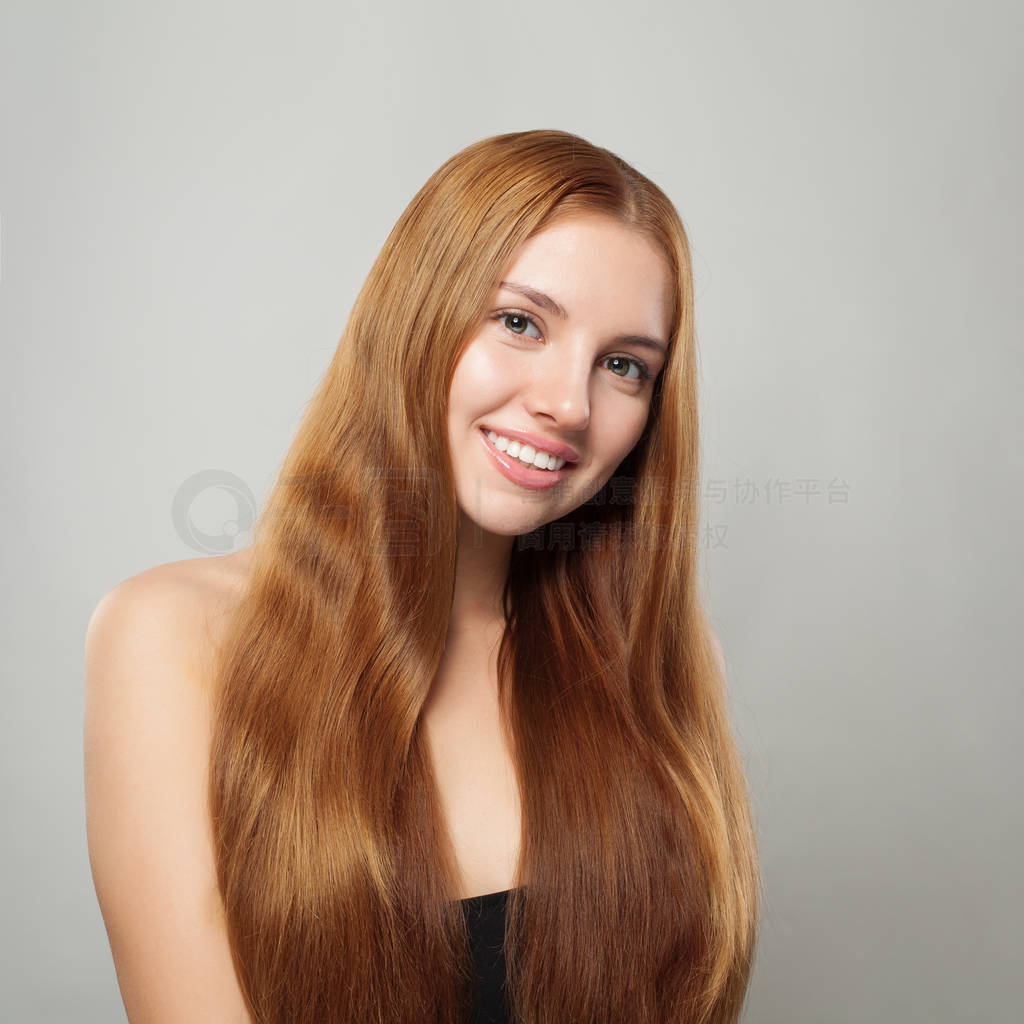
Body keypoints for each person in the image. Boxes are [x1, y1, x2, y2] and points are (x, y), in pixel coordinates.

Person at [84, 129, 760, 1024]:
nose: (568, 402)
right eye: (520, 322)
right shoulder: (174, 636)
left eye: (624, 366)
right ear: (416, 313)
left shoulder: (664, 658)